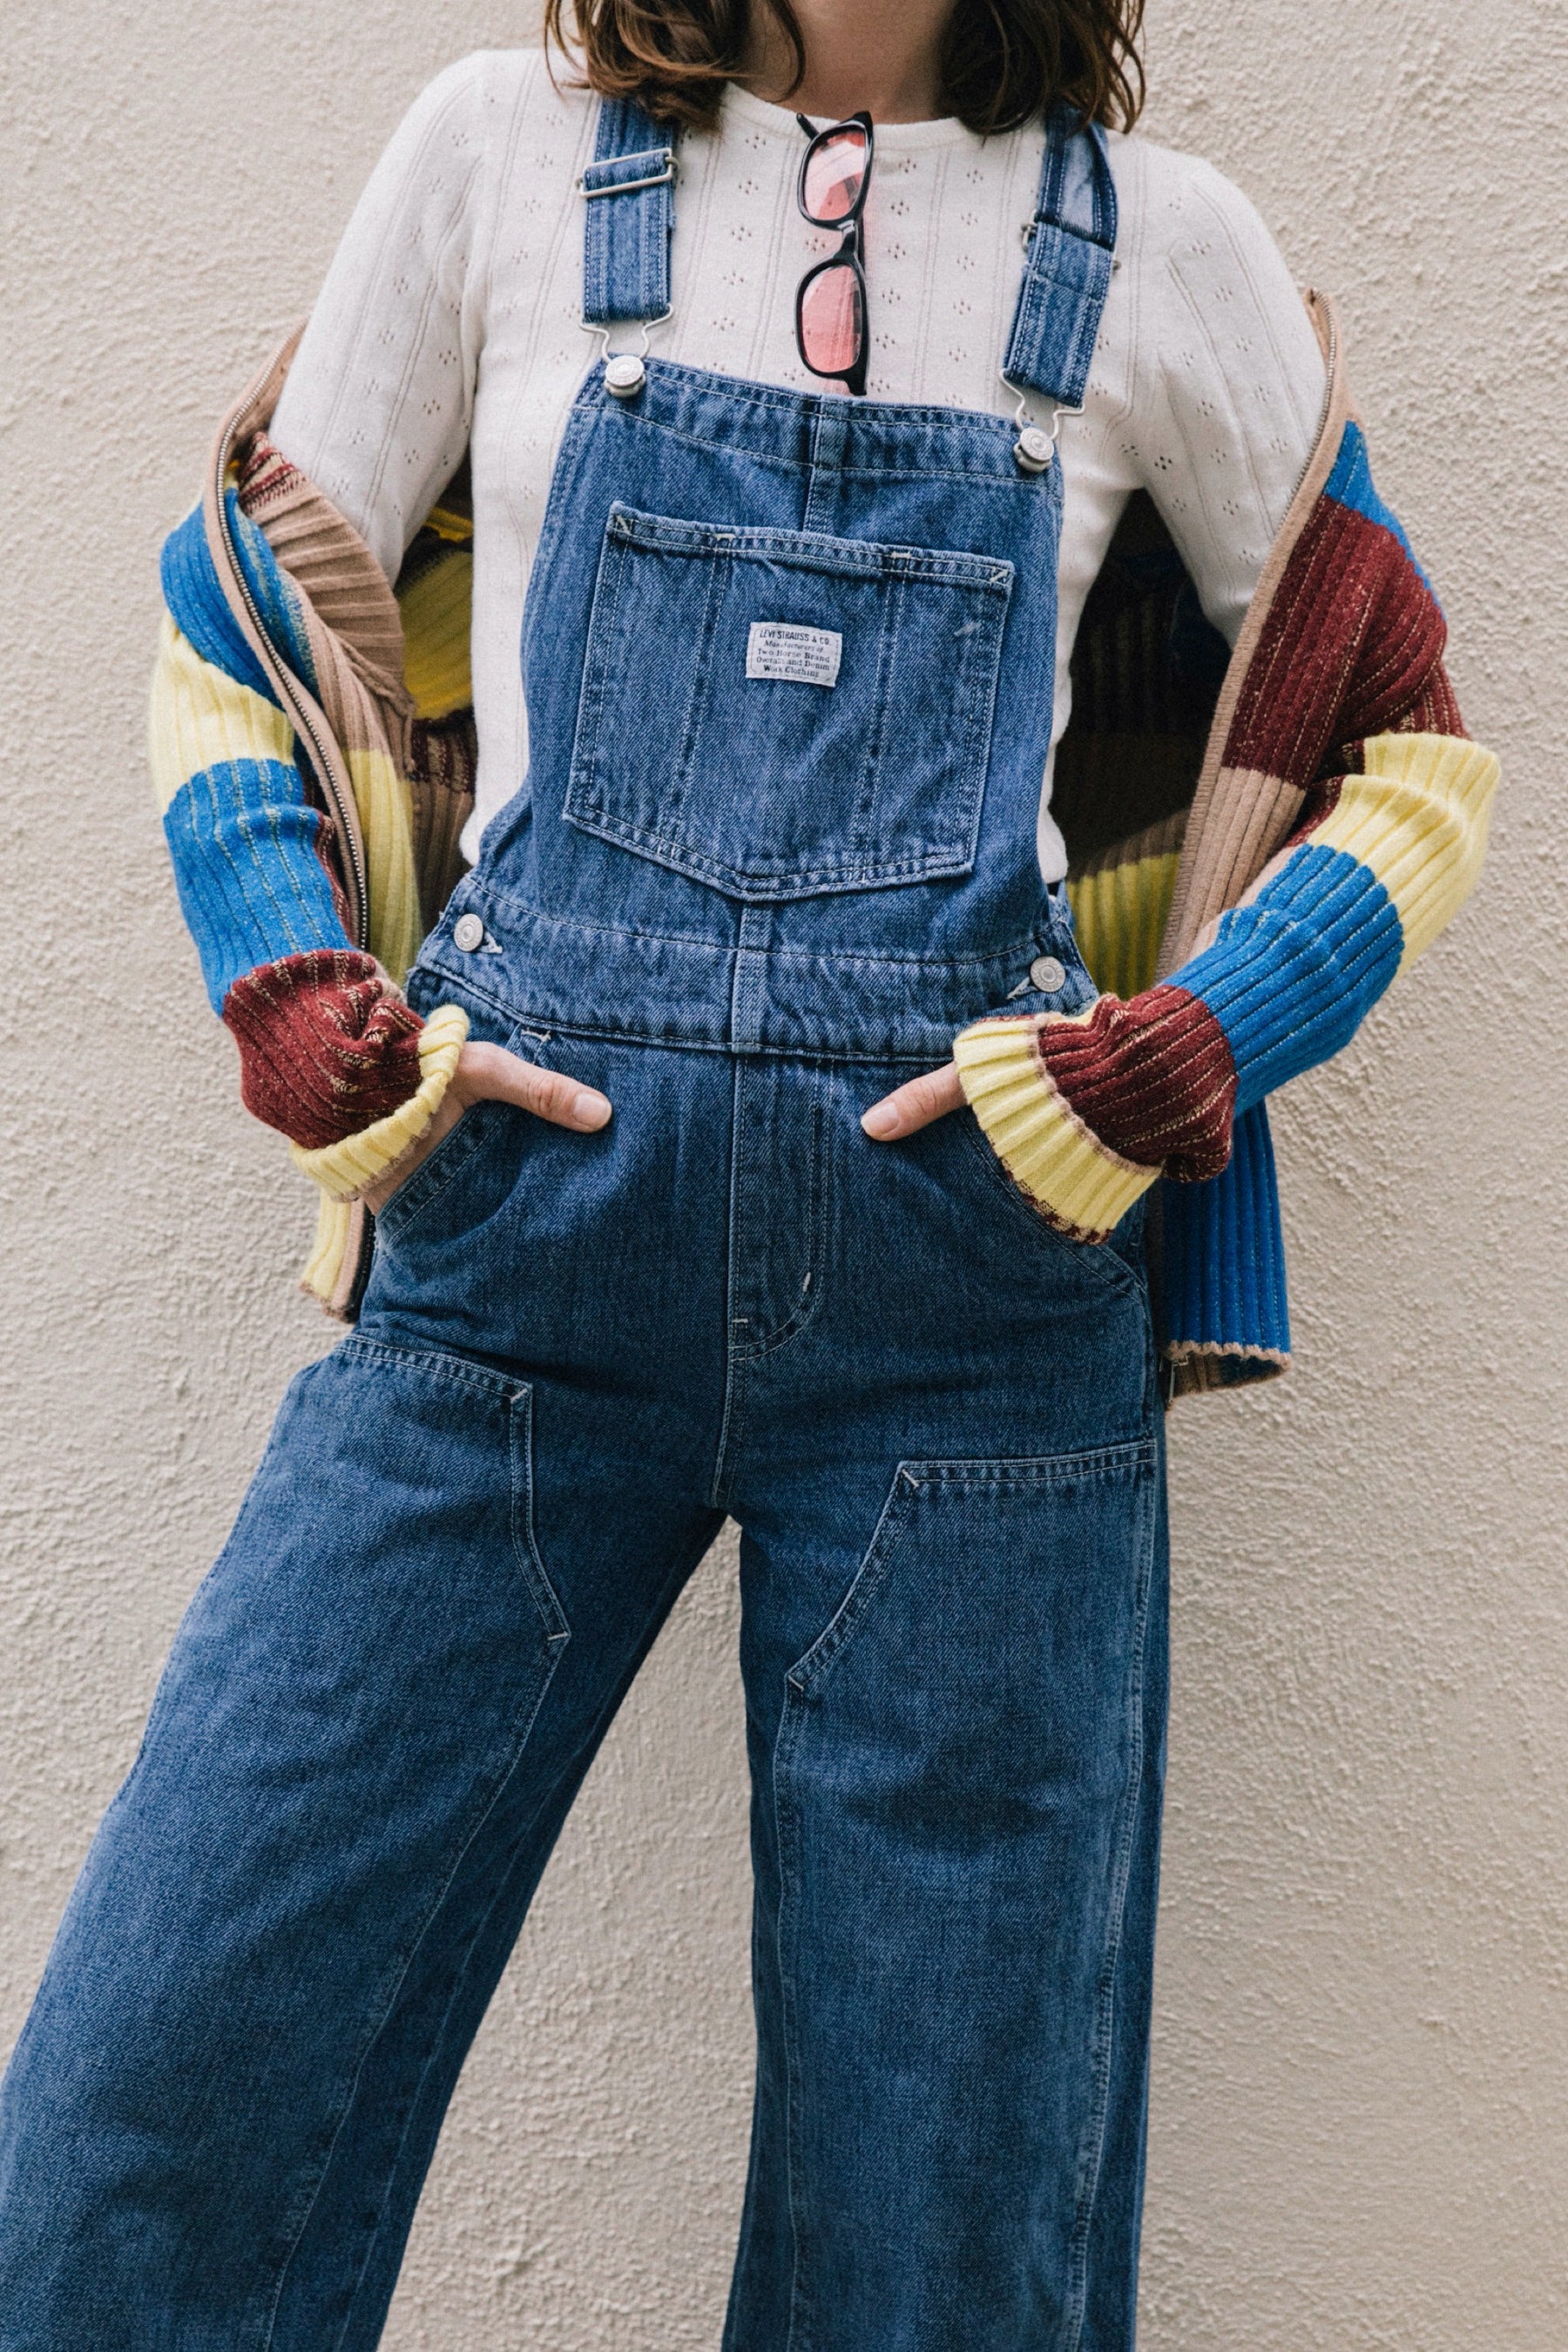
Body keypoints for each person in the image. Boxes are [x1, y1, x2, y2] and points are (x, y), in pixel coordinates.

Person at [0, 0, 1496, 2342]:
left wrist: (1169, 1064)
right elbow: (232, 624)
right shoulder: (497, 156)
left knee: (938, 2243)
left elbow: (1408, 749)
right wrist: (303, 1009)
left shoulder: (1160, 249)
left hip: (970, 1338)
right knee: (150, 2121)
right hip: (508, 1289)